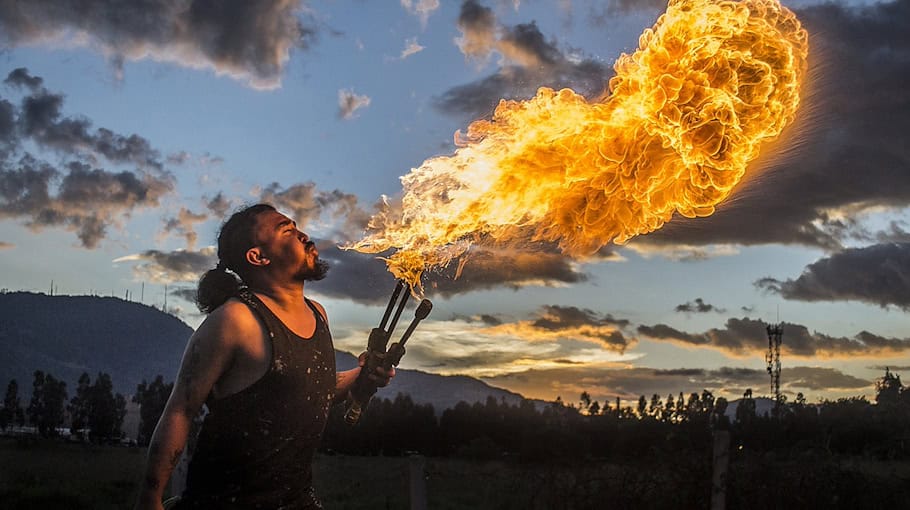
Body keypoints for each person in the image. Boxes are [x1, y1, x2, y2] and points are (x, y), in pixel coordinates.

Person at [134, 203, 393, 510]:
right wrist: (150, 499)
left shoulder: (318, 314)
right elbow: (181, 409)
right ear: (258, 257)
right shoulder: (235, 320)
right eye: (287, 231)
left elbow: (309, 390)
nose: (303, 235)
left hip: (297, 501)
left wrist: (363, 375)